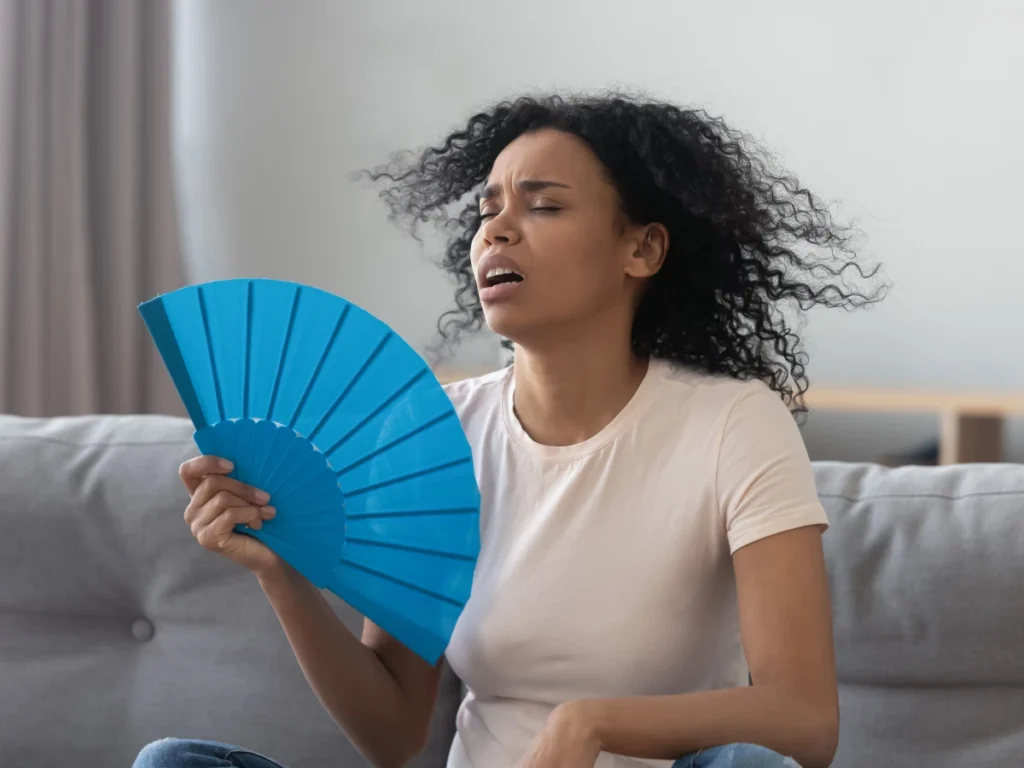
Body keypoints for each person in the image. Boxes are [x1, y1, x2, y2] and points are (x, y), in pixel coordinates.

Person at [134, 92, 884, 768]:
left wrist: (588, 725)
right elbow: (395, 732)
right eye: (488, 209)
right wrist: (282, 573)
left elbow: (803, 718)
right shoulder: (435, 434)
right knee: (175, 765)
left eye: (543, 206)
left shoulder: (733, 423)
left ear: (643, 249)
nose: (497, 229)